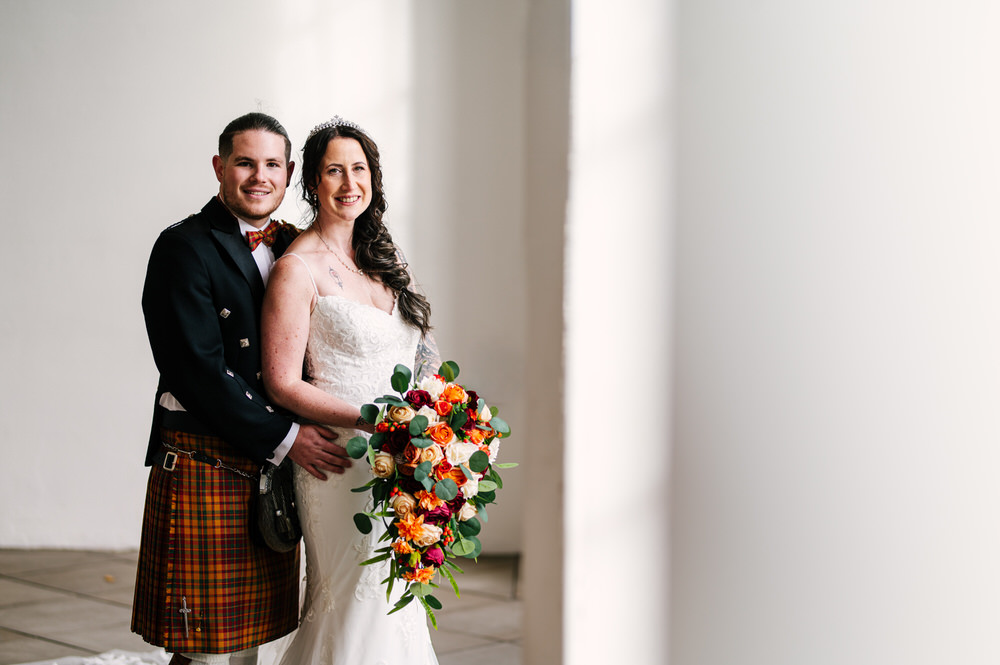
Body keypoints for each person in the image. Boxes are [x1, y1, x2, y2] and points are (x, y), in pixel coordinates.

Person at [132, 112, 352, 665]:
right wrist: (286, 436)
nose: (260, 176)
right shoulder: (183, 246)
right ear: (219, 168)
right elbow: (197, 370)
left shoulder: (293, 246)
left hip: (265, 469)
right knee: (203, 646)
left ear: (289, 171)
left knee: (249, 640)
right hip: (205, 457)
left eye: (272, 164)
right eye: (245, 162)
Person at [261, 116, 441, 664]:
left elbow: (422, 358)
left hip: (404, 454)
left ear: (373, 179)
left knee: (396, 595)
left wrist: (444, 421)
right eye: (333, 171)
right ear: (312, 182)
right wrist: (372, 422)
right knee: (355, 598)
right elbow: (282, 381)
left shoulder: (385, 262)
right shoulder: (297, 268)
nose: (348, 183)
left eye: (358, 169)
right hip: (340, 458)